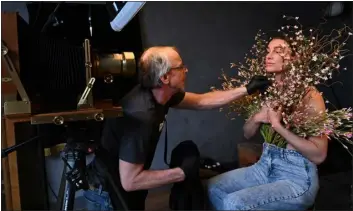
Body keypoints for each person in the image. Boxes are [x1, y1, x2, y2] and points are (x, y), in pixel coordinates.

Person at [83, 46, 271, 210]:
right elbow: (130, 181)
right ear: (165, 77)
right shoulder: (141, 115)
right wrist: (182, 172)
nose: (186, 70)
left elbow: (202, 101)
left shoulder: (160, 94)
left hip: (123, 189)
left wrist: (246, 89)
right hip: (107, 194)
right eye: (180, 67)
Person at [206, 37, 328, 210]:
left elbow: (319, 155)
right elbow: (247, 133)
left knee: (234, 203)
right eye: (268, 51)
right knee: (213, 187)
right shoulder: (266, 91)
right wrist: (257, 118)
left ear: (294, 58)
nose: (269, 56)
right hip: (264, 166)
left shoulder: (309, 96)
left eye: (277, 51)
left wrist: (278, 126)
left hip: (296, 177)